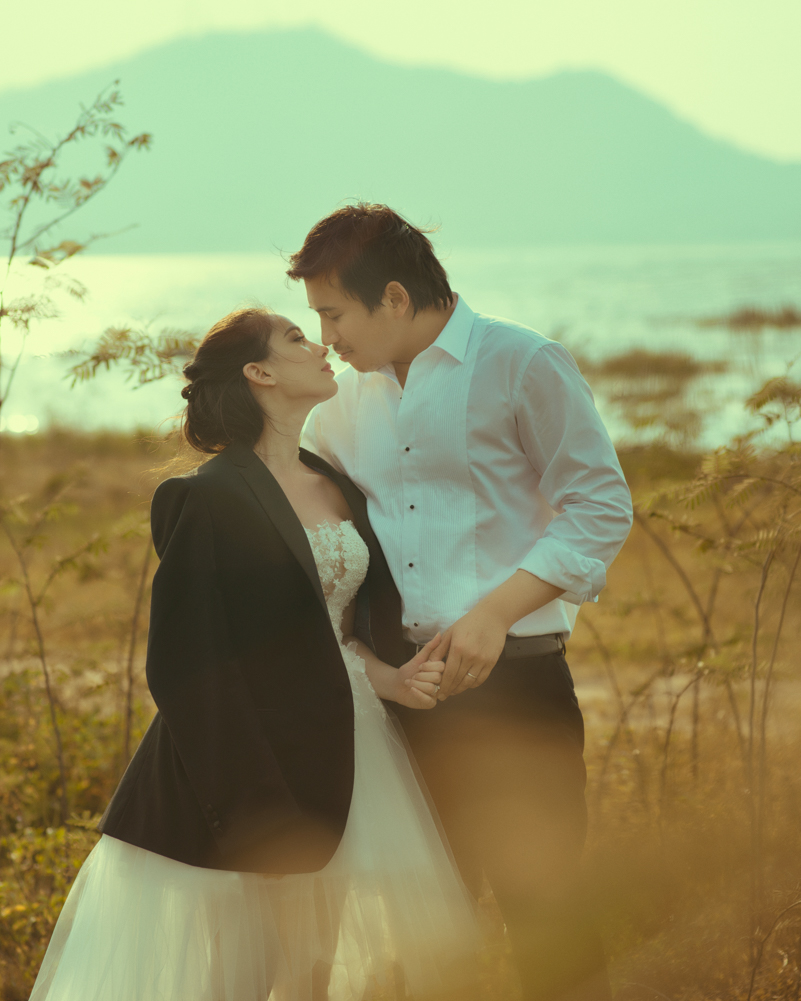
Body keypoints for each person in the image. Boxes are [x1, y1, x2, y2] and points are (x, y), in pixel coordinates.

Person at [27, 307, 482, 1000]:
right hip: (249, 766)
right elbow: (184, 668)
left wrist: (391, 679)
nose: (321, 344)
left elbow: (331, 633)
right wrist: (254, 810)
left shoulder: (336, 483)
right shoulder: (204, 496)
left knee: (315, 969)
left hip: (349, 752)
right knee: (245, 976)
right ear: (259, 373)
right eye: (297, 338)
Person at [295, 204, 634, 1001]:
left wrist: (493, 614)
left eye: (334, 314)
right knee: (416, 933)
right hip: (400, 699)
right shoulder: (338, 405)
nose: (325, 338)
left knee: (546, 917)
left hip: (517, 687)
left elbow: (599, 505)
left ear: (394, 299)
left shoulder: (523, 363)